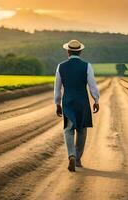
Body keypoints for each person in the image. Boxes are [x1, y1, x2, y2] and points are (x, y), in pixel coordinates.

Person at [54, 39, 100, 172]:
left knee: (68, 129)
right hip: (82, 101)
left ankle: (71, 155)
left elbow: (57, 88)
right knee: (82, 129)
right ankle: (78, 159)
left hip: (68, 101)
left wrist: (57, 103)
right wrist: (96, 100)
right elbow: (92, 86)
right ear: (80, 51)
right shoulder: (87, 66)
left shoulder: (60, 66)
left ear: (68, 51)